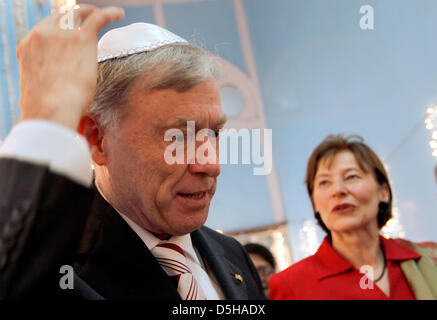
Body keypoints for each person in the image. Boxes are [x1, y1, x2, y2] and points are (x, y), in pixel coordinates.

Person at [0, 4, 265, 300]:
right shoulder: (55, 272)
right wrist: (42, 120)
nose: (211, 164)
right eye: (178, 137)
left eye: (214, 133)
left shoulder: (233, 256)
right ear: (98, 140)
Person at [269, 134, 437, 300]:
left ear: (383, 192)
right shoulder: (291, 285)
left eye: (351, 177)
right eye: (324, 182)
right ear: (315, 203)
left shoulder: (429, 260)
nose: (338, 190)